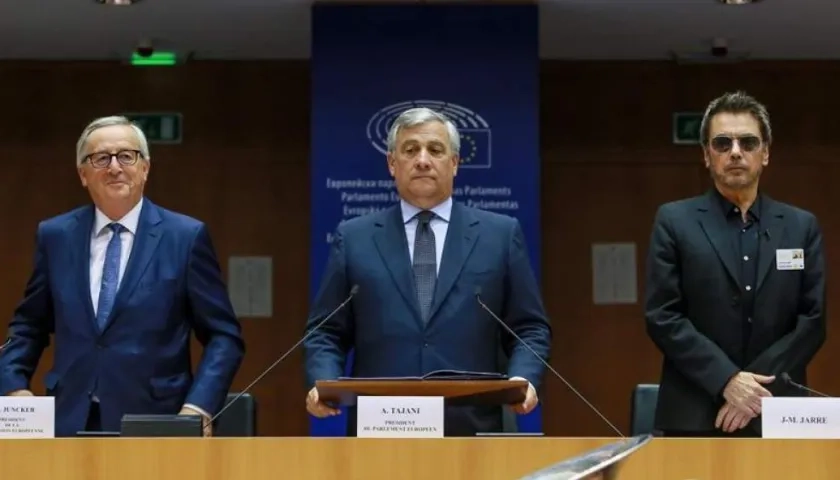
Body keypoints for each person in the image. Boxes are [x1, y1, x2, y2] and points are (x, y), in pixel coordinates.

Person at [303, 107, 552, 436]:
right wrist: (324, 380)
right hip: (381, 430)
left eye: (435, 150)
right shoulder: (354, 238)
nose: (422, 160)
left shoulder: (500, 235)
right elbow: (325, 331)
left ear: (455, 163)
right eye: (410, 150)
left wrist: (524, 377)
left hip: (473, 430)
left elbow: (529, 328)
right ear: (392, 164)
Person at [0, 116, 245, 437]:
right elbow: (29, 326)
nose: (114, 167)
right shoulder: (56, 235)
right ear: (82, 174)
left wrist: (198, 407)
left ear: (145, 168)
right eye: (100, 158)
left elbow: (223, 336)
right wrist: (14, 386)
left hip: (156, 420)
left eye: (126, 156)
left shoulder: (184, 237)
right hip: (70, 418)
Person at [644, 91, 826, 437]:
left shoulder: (801, 227)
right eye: (722, 143)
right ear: (706, 155)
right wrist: (726, 379)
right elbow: (662, 316)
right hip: (695, 412)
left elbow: (813, 322)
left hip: (779, 410)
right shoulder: (674, 221)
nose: (736, 152)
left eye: (748, 142)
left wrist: (750, 392)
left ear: (766, 153)